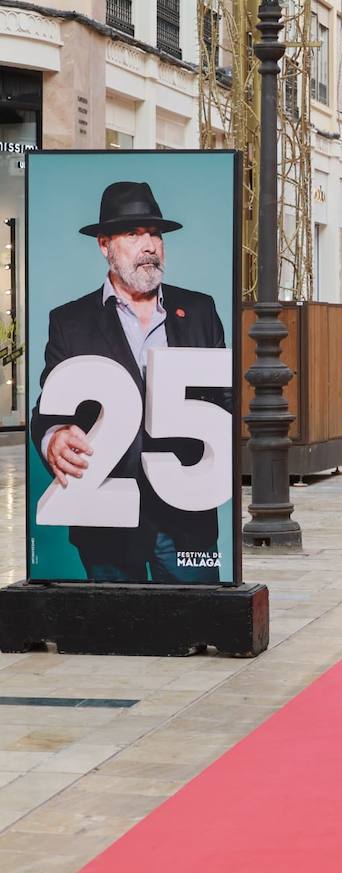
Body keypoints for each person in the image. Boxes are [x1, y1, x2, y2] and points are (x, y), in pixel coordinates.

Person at [31, 180, 228, 583]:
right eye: (133, 234)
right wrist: (53, 436)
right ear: (104, 245)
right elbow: (47, 410)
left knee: (190, 630)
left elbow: (225, 401)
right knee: (116, 635)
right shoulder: (70, 322)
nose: (150, 245)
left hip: (185, 517)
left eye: (155, 234)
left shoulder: (199, 310)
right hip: (105, 518)